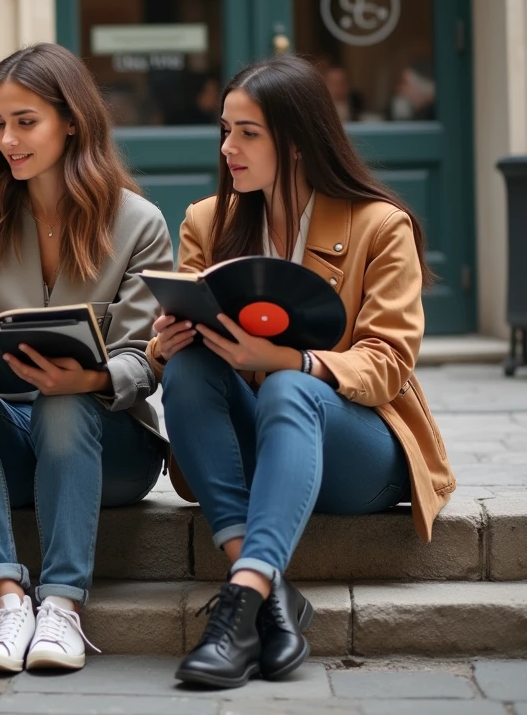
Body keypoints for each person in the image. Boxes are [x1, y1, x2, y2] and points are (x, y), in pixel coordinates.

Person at [150, 53, 454, 688]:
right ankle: (261, 591)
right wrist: (167, 339)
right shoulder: (209, 221)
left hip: (357, 451)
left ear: (294, 142)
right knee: (187, 371)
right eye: (225, 131)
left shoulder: (379, 226)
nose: (229, 147)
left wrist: (292, 361)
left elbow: (389, 363)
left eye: (247, 133)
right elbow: (168, 350)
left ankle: (234, 613)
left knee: (291, 385)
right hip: (256, 448)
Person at [0, 43, 172, 673]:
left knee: (64, 404)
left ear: (71, 122)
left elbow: (149, 358)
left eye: (24, 122)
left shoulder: (138, 223)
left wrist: (90, 377)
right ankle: (7, 600)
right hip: (7, 438)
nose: (7, 139)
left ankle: (61, 605)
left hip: (110, 448)